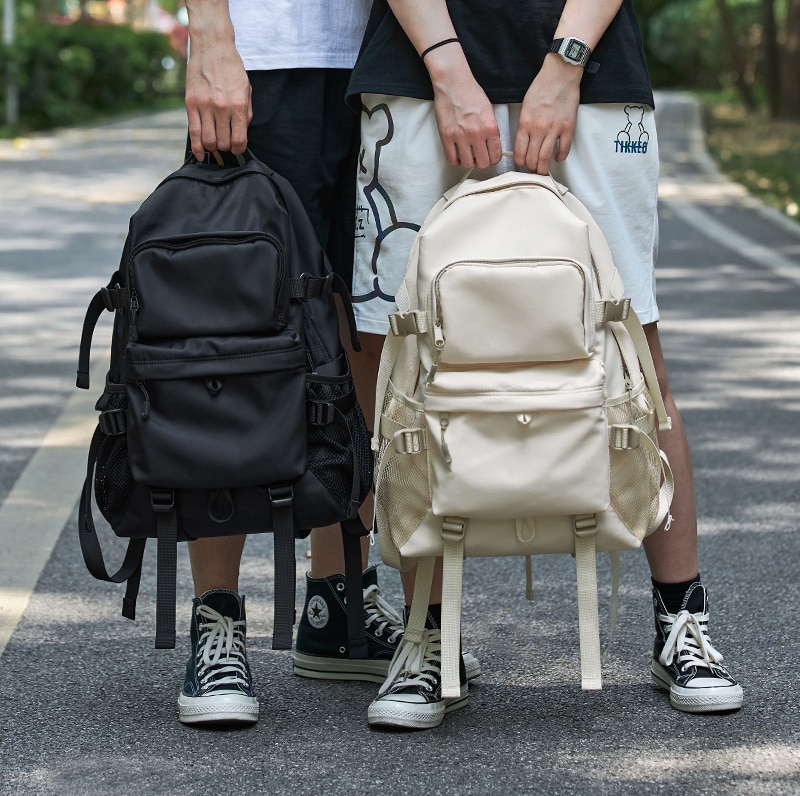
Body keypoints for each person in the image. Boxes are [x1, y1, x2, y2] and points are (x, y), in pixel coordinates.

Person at [344, 0, 744, 730]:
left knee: (631, 351)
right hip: (418, 73)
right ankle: (426, 637)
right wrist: (446, 64)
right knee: (410, 361)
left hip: (591, 79)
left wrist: (566, 60)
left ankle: (682, 623)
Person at [176, 0, 411, 726]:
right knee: (236, 336)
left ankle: (337, 603)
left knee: (367, 335)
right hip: (265, 57)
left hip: (389, 64)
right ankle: (217, 620)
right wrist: (211, 35)